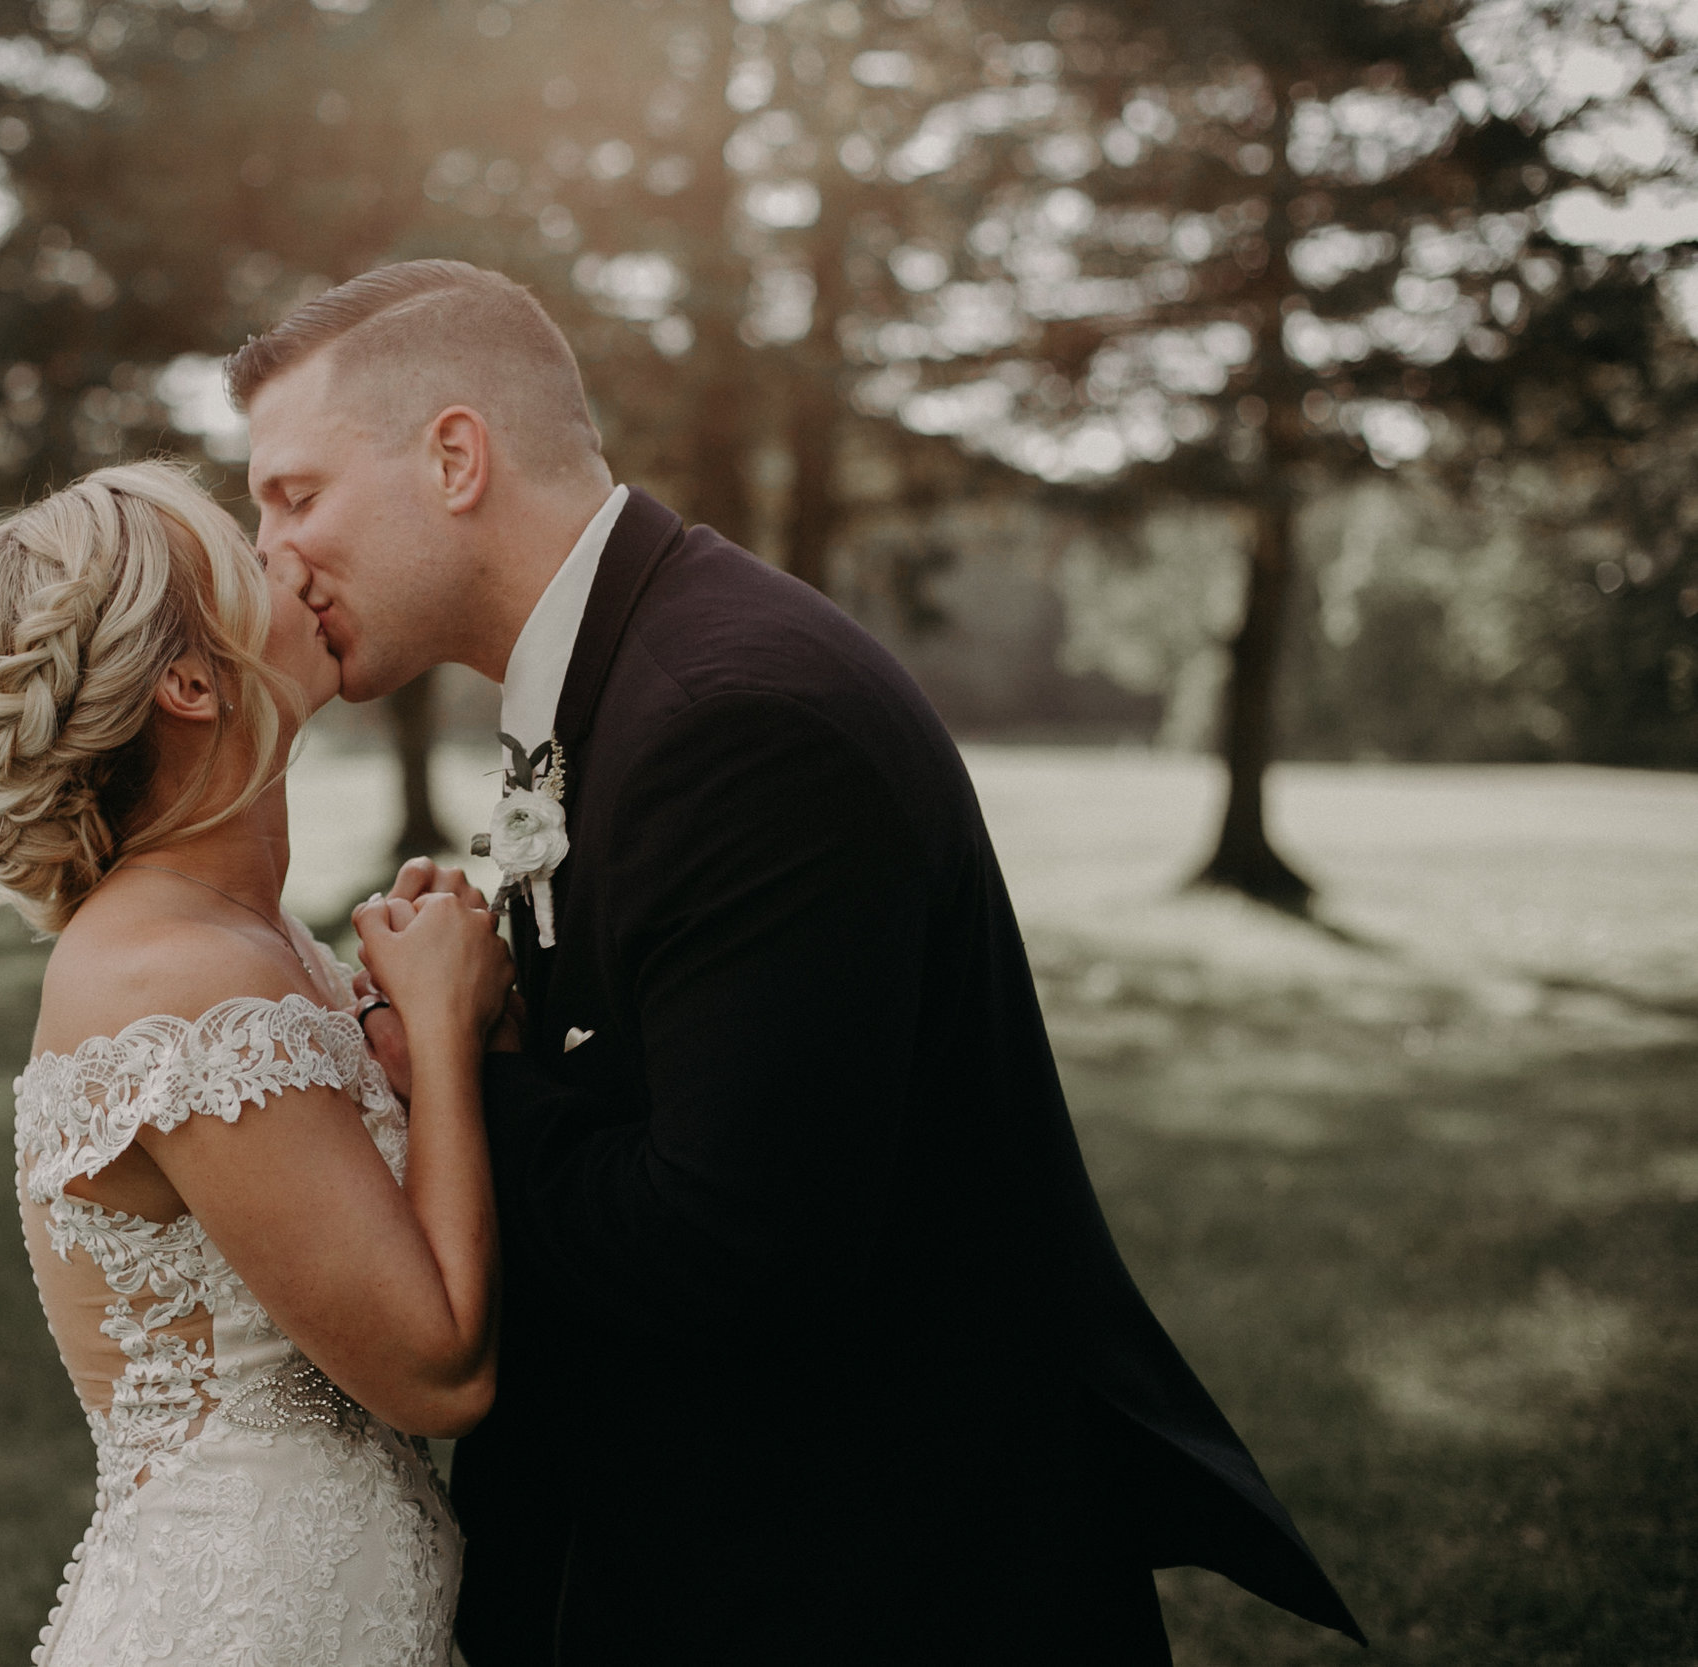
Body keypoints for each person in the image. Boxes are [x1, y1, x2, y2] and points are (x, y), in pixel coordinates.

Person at [232, 259, 1366, 1665]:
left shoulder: (736, 723)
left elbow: (729, 1247)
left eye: (294, 495)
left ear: (454, 455)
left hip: (871, 1583)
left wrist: (468, 1063)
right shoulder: (640, 667)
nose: (272, 556)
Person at [0, 461, 510, 1665]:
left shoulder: (248, 934)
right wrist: (440, 1039)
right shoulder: (172, 980)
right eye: (249, 554)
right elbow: (438, 1370)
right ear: (190, 678)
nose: (292, 557)